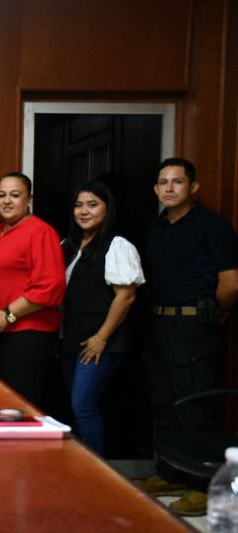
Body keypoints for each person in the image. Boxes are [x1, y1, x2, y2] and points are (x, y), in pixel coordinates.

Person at [138, 158, 238, 516]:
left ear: (192, 188)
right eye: (162, 182)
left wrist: (218, 311)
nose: (168, 188)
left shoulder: (212, 226)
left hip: (195, 328)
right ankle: (171, 474)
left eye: (177, 182)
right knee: (163, 403)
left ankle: (202, 485)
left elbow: (230, 283)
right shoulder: (156, 227)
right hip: (158, 326)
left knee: (195, 405)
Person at [60, 181, 145, 456]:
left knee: (83, 406)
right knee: (74, 406)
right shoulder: (67, 246)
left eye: (92, 204)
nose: (84, 211)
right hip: (70, 341)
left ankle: (98, 473)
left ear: (107, 210)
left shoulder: (117, 245)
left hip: (101, 342)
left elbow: (126, 297)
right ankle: (81, 467)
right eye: (78, 205)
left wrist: (101, 338)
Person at [0, 172, 65, 408]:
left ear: (29, 199)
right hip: (0, 331)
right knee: (0, 402)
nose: (7, 200)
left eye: (15, 195)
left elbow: (50, 287)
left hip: (27, 333)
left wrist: (8, 314)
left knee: (21, 406)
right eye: (2, 195)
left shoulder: (41, 232)